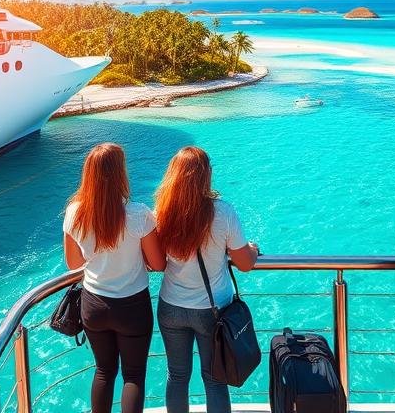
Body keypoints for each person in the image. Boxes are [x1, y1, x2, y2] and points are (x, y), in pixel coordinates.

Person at [154, 146, 259, 413]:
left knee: (177, 377)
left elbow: (155, 262)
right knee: (214, 380)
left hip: (171, 307)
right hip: (212, 311)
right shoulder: (223, 213)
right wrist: (253, 249)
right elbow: (245, 264)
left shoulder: (162, 213)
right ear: (207, 175)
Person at [63, 143, 165, 413]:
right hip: (132, 307)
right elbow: (158, 263)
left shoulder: (75, 212)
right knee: (133, 376)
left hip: (94, 304)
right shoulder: (138, 214)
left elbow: (74, 263)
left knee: (104, 372)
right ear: (120, 173)